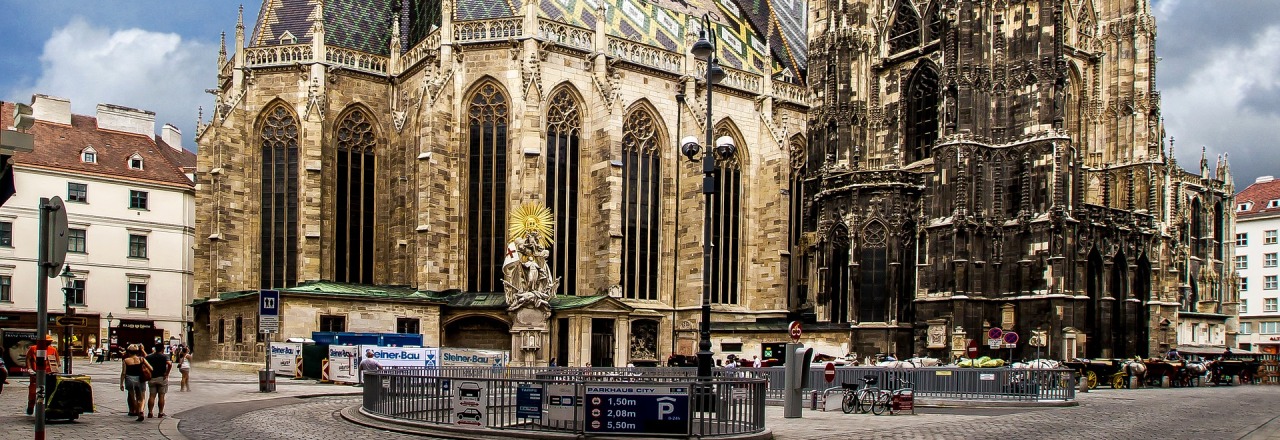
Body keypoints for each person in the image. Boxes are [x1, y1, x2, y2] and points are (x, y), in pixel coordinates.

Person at [24, 335, 60, 416]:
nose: (49, 342)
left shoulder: (53, 350)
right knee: (33, 392)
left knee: (48, 391)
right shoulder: (33, 348)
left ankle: (44, 408)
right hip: (36, 374)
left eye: (50, 341)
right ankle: (31, 405)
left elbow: (57, 361)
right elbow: (28, 358)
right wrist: (29, 368)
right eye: (47, 341)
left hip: (49, 374)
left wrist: (56, 370)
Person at [119, 344, 151, 422]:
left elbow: (123, 372)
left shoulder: (126, 360)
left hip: (129, 379)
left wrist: (121, 383)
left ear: (129, 352)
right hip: (140, 379)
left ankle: (135, 411)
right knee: (142, 397)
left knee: (133, 397)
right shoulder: (141, 359)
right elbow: (151, 368)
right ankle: (141, 411)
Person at [145, 344, 172, 418]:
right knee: (161, 396)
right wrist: (167, 373)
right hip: (161, 378)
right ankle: (160, 413)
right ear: (162, 349)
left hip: (152, 377)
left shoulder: (149, 356)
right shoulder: (164, 356)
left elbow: (144, 363)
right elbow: (169, 364)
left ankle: (150, 412)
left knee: (152, 396)